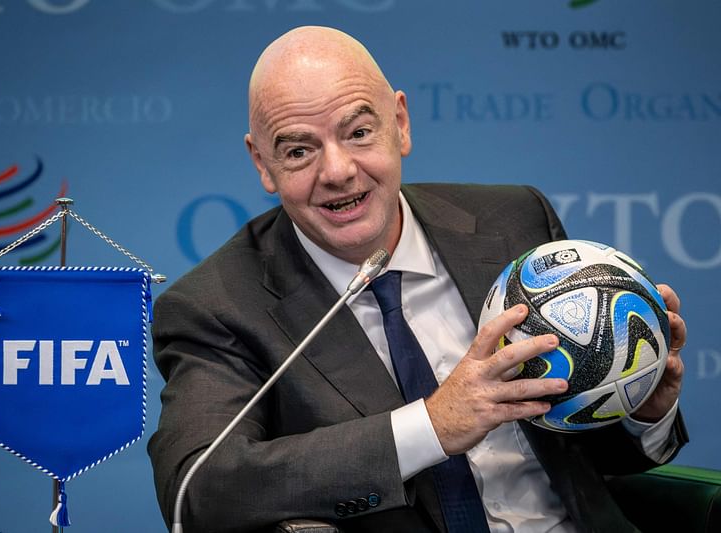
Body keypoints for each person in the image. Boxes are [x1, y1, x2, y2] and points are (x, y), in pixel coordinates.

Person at [148, 26, 688, 533]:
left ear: (399, 124)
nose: (337, 171)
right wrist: (431, 426)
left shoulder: (515, 221)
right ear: (262, 163)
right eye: (298, 150)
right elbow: (198, 491)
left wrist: (642, 406)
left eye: (359, 132)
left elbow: (588, 455)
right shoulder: (217, 305)